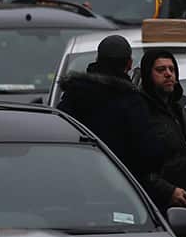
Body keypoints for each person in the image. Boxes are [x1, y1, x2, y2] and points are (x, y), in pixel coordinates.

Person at [56, 35, 161, 189]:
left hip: (77, 184)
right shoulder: (132, 101)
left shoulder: (74, 94)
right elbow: (150, 153)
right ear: (129, 64)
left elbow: (59, 137)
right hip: (121, 187)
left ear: (97, 59)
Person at [138, 49, 186, 211]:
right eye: (161, 70)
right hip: (159, 207)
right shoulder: (141, 113)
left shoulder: (180, 111)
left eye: (172, 69)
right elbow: (137, 166)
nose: (168, 74)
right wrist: (168, 191)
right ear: (148, 75)